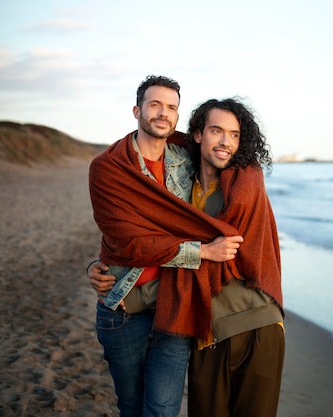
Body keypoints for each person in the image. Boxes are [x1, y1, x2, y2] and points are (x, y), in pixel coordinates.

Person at [89, 97, 284, 417]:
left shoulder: (245, 184)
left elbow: (210, 266)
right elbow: (143, 236)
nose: (226, 142)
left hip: (257, 325)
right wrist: (103, 266)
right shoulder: (180, 190)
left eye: (235, 135)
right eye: (217, 131)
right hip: (206, 332)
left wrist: (133, 296)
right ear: (197, 134)